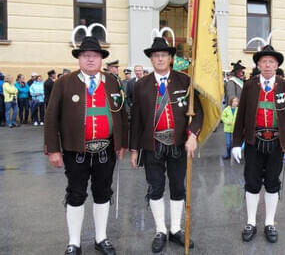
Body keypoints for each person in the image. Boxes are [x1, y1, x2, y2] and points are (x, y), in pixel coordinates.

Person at [44, 36, 128, 255]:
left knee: (103, 193)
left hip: (106, 150)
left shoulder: (112, 81)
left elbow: (121, 115)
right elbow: (51, 117)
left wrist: (121, 143)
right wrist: (53, 149)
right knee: (76, 194)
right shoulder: (64, 82)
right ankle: (74, 243)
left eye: (95, 56)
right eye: (86, 56)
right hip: (75, 150)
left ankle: (101, 238)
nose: (90, 59)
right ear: (79, 58)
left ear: (101, 59)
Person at [129, 37, 203, 253]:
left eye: (163, 55)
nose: (159, 59)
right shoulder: (141, 85)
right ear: (151, 59)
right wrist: (134, 149)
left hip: (179, 144)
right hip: (152, 145)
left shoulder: (185, 81)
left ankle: (176, 229)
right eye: (155, 56)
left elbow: (198, 112)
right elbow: (136, 121)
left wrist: (193, 136)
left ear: (170, 58)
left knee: (178, 187)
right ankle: (161, 230)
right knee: (156, 187)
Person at [231, 44, 285, 244]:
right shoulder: (250, 85)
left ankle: (269, 223)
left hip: (277, 144)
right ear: (258, 65)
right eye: (264, 61)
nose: (268, 65)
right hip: (254, 143)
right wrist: (236, 143)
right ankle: (251, 222)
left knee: (272, 183)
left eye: (271, 61)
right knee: (251, 183)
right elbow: (241, 116)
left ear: (277, 64)